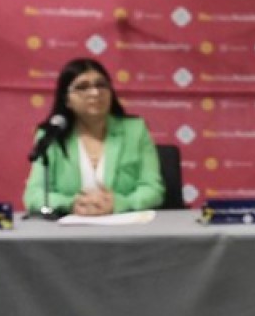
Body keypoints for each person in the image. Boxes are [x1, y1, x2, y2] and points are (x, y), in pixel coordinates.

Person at [23, 58, 164, 215]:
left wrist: (120, 203)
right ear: (67, 99)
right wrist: (72, 204)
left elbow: (153, 189)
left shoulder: (135, 130)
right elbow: (34, 195)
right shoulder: (52, 135)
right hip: (70, 226)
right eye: (82, 87)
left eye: (101, 85)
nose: (95, 93)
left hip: (124, 225)